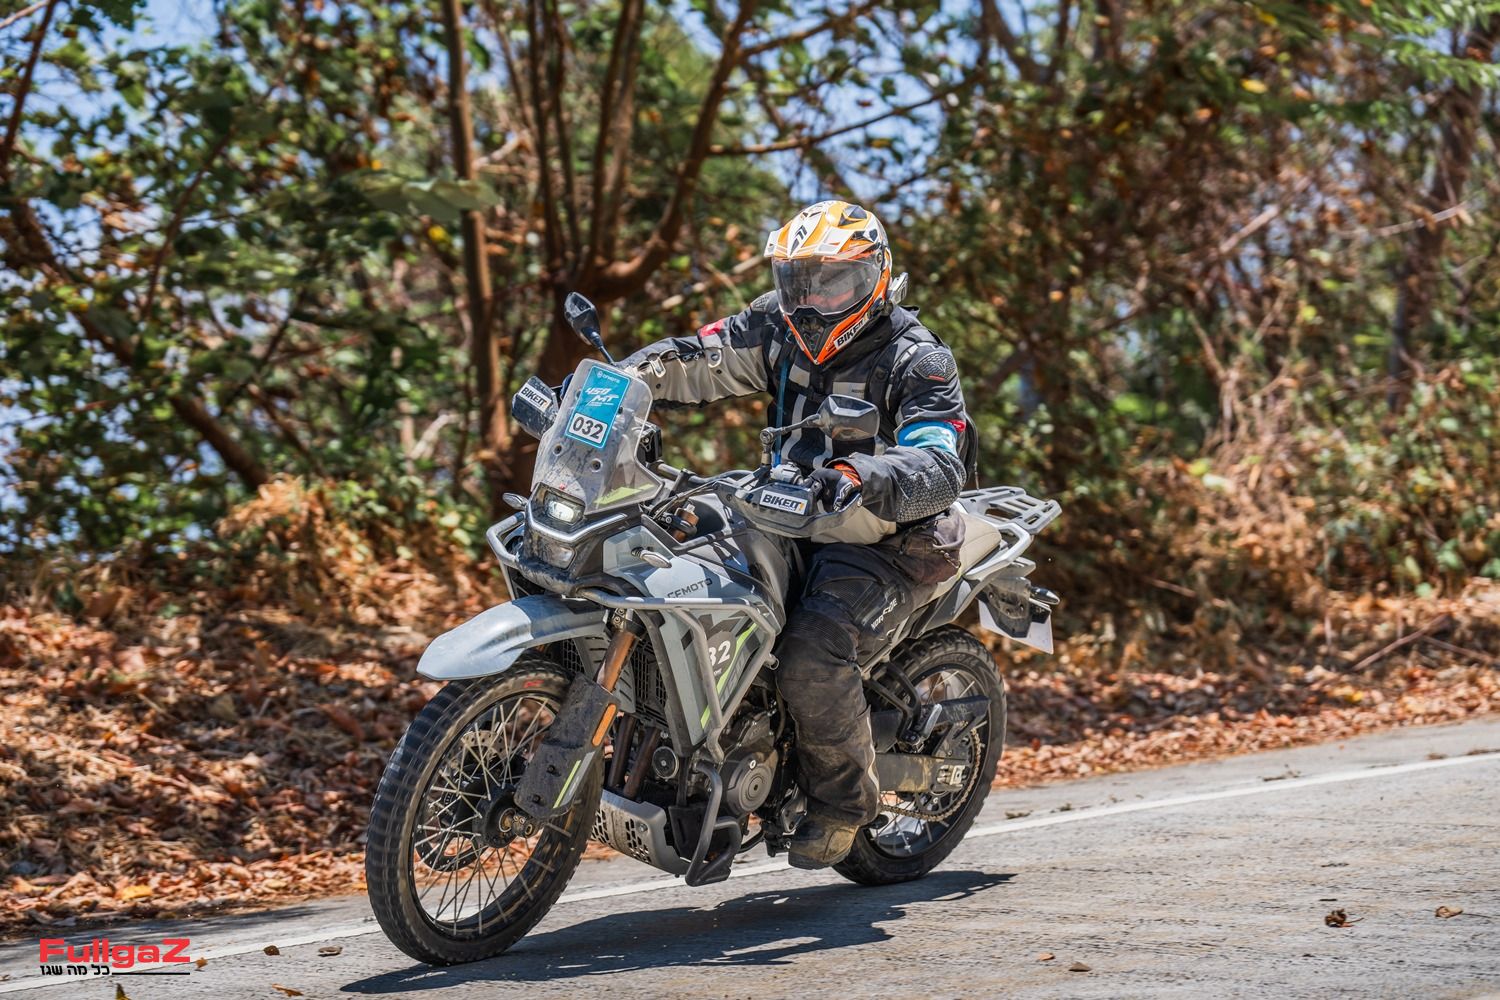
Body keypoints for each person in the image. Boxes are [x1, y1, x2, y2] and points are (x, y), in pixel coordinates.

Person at [619, 201, 975, 868]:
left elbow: (938, 460)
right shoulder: (774, 324)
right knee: (674, 571)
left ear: (876, 276)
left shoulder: (917, 359)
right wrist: (616, 385)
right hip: (787, 508)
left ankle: (843, 804)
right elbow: (698, 358)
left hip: (890, 536)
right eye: (798, 282)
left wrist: (862, 473)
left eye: (833, 282)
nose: (812, 301)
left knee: (812, 654)